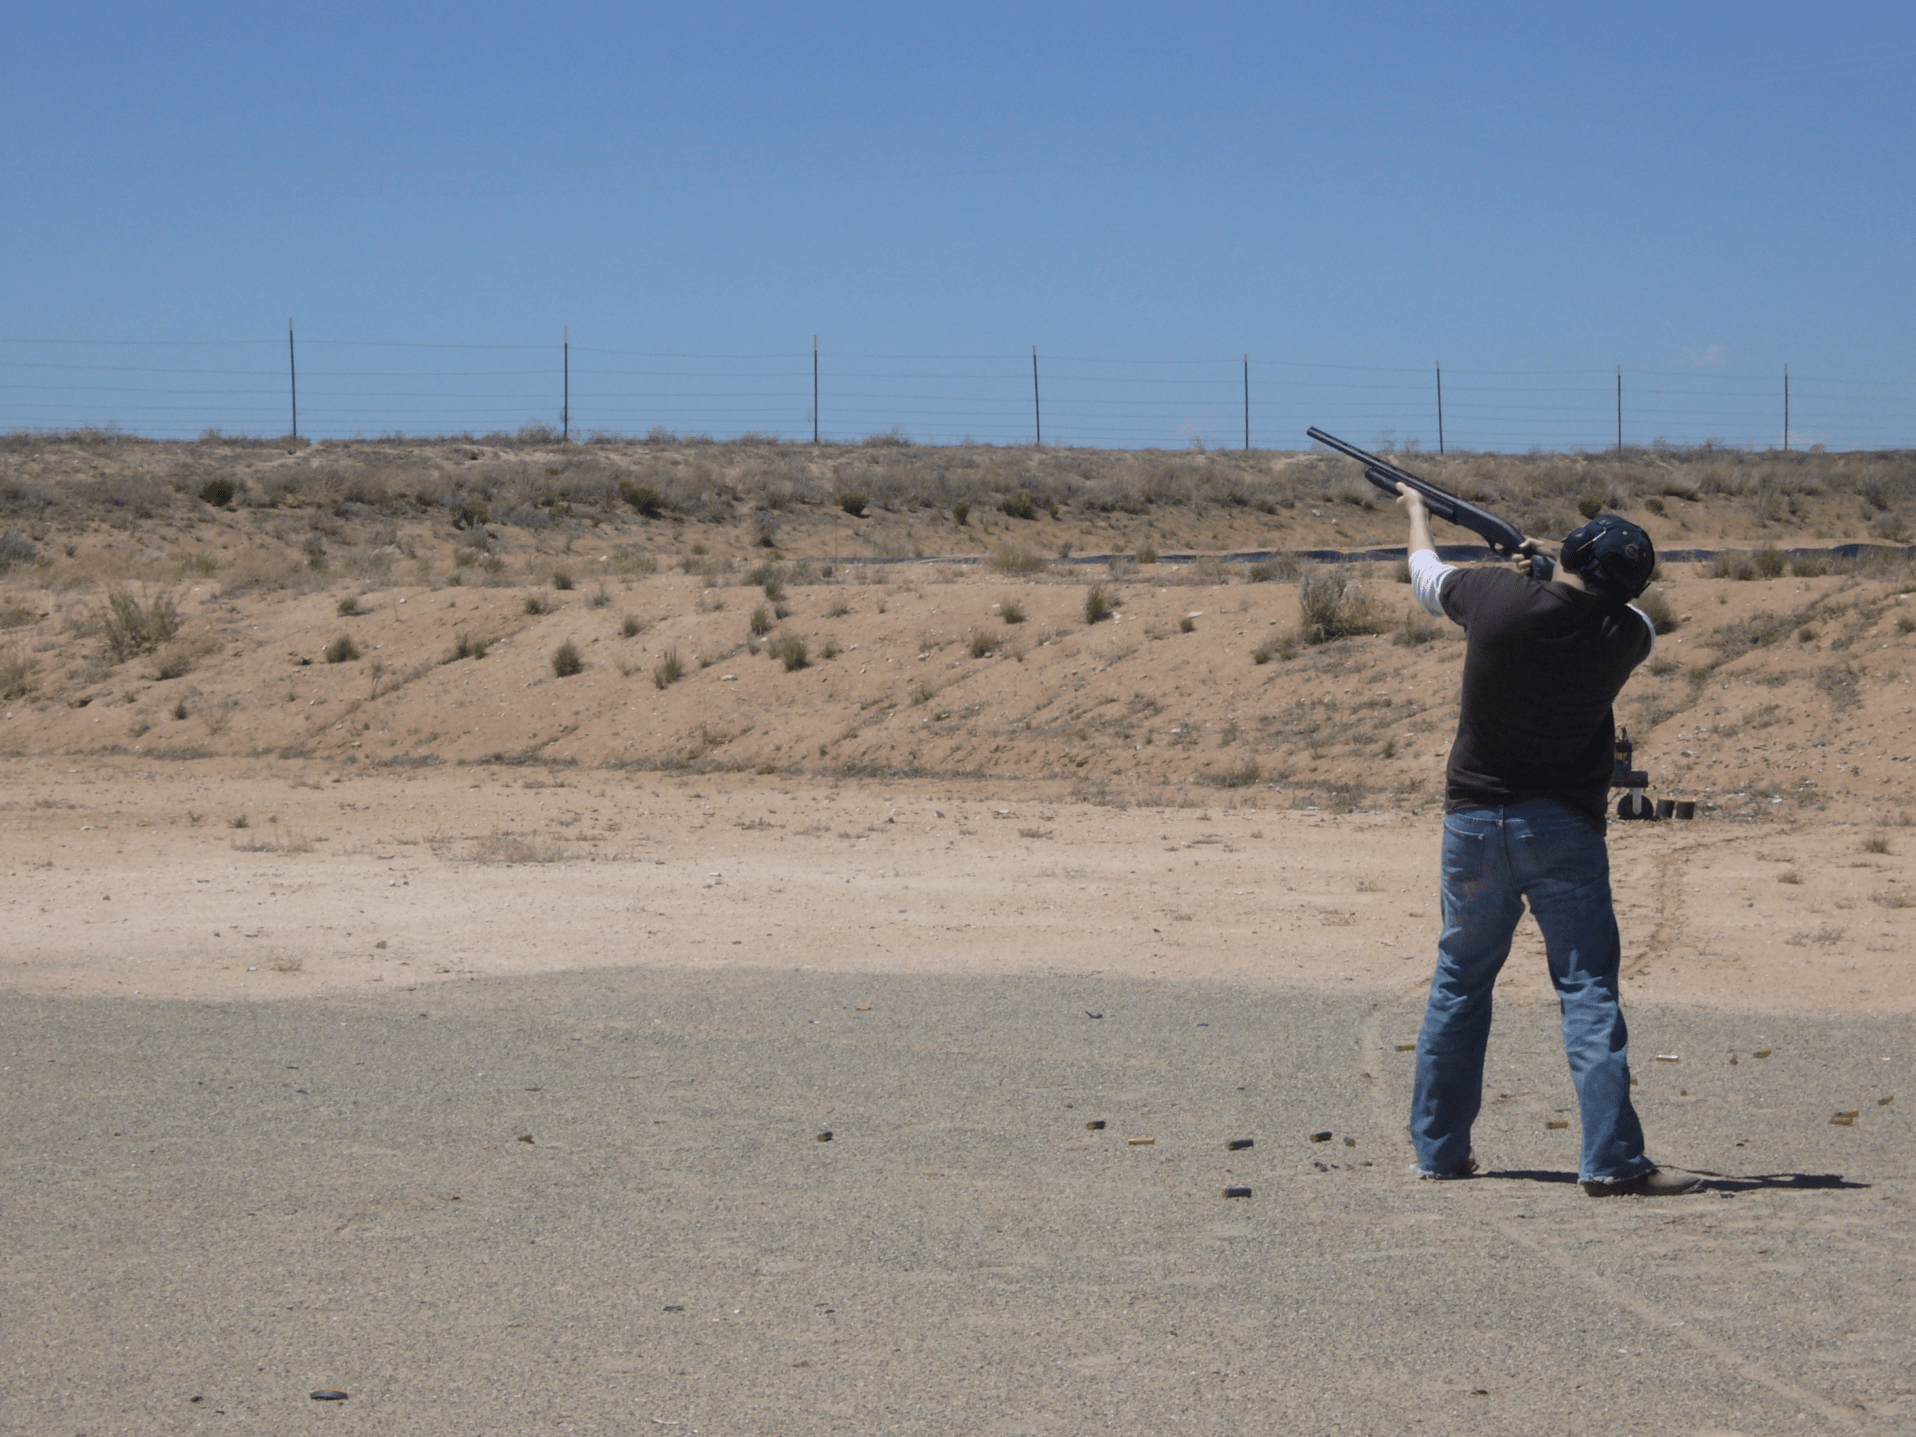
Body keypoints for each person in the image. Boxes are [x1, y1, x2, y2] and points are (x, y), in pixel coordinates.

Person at [1397, 483, 1699, 1197]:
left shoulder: (1494, 597)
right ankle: (1611, 1160)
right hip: (1565, 828)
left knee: (1459, 982)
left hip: (1474, 822)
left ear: (1570, 555)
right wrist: (1544, 573)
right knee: (1587, 989)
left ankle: (1439, 1150)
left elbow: (1424, 575)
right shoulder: (1628, 634)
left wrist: (1415, 513)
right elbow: (1603, 609)